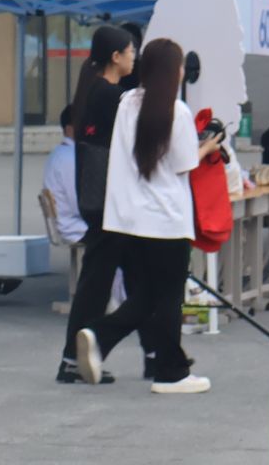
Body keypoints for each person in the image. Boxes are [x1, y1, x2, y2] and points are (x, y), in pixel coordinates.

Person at [72, 38, 223, 394]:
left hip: (128, 220)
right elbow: (184, 164)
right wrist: (207, 146)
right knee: (166, 297)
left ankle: (117, 344)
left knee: (149, 295)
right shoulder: (177, 111)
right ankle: (166, 371)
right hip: (167, 219)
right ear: (174, 71)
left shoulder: (127, 102)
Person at [56, 26, 141, 385]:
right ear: (116, 57)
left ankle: (157, 353)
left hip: (99, 200)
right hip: (110, 202)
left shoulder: (93, 90)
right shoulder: (111, 96)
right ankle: (76, 357)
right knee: (100, 283)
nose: (134, 57)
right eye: (131, 51)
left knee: (118, 279)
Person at [43, 107, 86, 244]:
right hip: (75, 227)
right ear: (69, 129)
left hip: (69, 223)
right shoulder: (70, 158)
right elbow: (78, 203)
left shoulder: (61, 152)